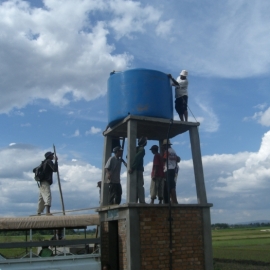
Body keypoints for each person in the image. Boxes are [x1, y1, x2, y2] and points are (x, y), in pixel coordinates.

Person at [37, 151, 58, 216]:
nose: (53, 156)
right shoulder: (48, 161)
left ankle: (39, 212)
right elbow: (54, 169)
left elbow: (34, 170)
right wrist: (56, 161)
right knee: (47, 196)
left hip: (41, 182)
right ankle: (47, 212)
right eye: (52, 155)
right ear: (48, 156)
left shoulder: (42, 163)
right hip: (45, 181)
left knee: (42, 198)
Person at [128, 137, 147, 204]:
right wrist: (133, 167)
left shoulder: (135, 149)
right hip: (138, 169)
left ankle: (134, 200)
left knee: (134, 186)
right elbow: (137, 157)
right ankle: (142, 201)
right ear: (144, 143)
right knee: (140, 186)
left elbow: (128, 156)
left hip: (134, 169)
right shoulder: (142, 150)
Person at [162, 139, 178, 204]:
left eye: (164, 146)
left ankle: (175, 201)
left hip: (168, 169)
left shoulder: (167, 151)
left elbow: (164, 159)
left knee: (171, 187)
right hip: (173, 170)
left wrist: (162, 156)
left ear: (166, 145)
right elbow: (178, 159)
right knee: (167, 186)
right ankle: (167, 202)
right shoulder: (173, 151)